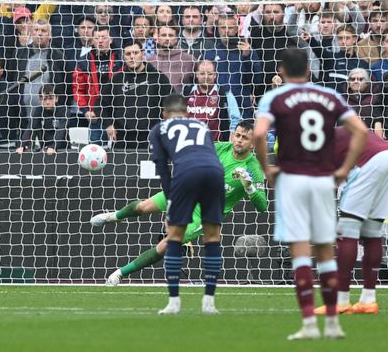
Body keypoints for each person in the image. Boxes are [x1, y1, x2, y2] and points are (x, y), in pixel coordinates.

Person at [253, 48, 368, 340]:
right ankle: (332, 324)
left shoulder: (275, 97)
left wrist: (268, 169)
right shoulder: (329, 96)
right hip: (321, 179)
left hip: (292, 179)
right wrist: (343, 170)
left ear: (281, 70)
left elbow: (258, 133)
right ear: (308, 69)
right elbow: (361, 131)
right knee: (326, 252)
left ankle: (307, 325)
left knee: (300, 253)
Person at [93, 121, 266, 285]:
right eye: (237, 135)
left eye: (245, 138)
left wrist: (249, 188)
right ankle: (113, 216)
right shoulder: (220, 148)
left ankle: (119, 273)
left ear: (253, 144)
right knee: (142, 206)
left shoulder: (254, 169)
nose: (239, 140)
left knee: (165, 245)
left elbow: (263, 207)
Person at [147, 94, 225, 315]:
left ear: (164, 114)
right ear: (187, 113)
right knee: (212, 237)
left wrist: (170, 198)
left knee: (174, 236)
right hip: (215, 172)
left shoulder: (159, 129)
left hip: (186, 173)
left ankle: (174, 302)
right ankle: (209, 302)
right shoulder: (201, 126)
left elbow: (162, 169)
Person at [312, 128, 388, 315]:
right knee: (372, 231)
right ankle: (368, 300)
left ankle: (340, 301)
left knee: (347, 229)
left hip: (370, 161)